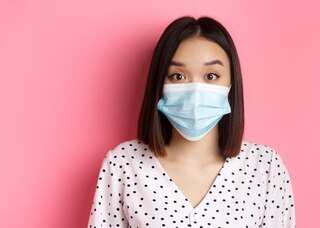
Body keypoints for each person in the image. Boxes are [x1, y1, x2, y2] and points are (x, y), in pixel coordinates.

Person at [87, 15, 296, 228]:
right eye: (178, 76)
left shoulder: (265, 167)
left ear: (231, 84)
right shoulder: (123, 164)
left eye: (211, 76)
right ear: (159, 83)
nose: (196, 90)